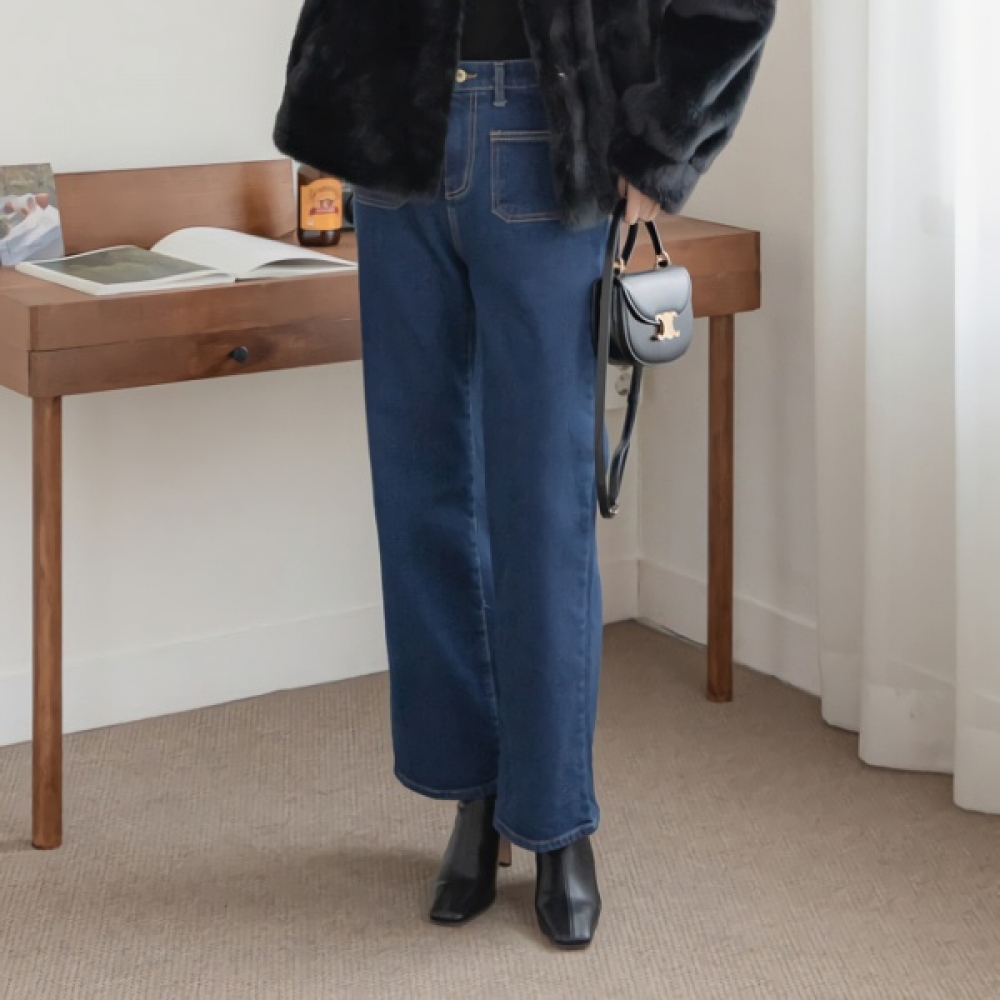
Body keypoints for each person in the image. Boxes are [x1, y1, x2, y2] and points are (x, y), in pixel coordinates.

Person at [274, 0, 776, 949]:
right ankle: (474, 795)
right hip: (394, 138)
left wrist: (661, 148)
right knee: (421, 492)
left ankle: (555, 821)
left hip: (544, 136)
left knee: (542, 509)